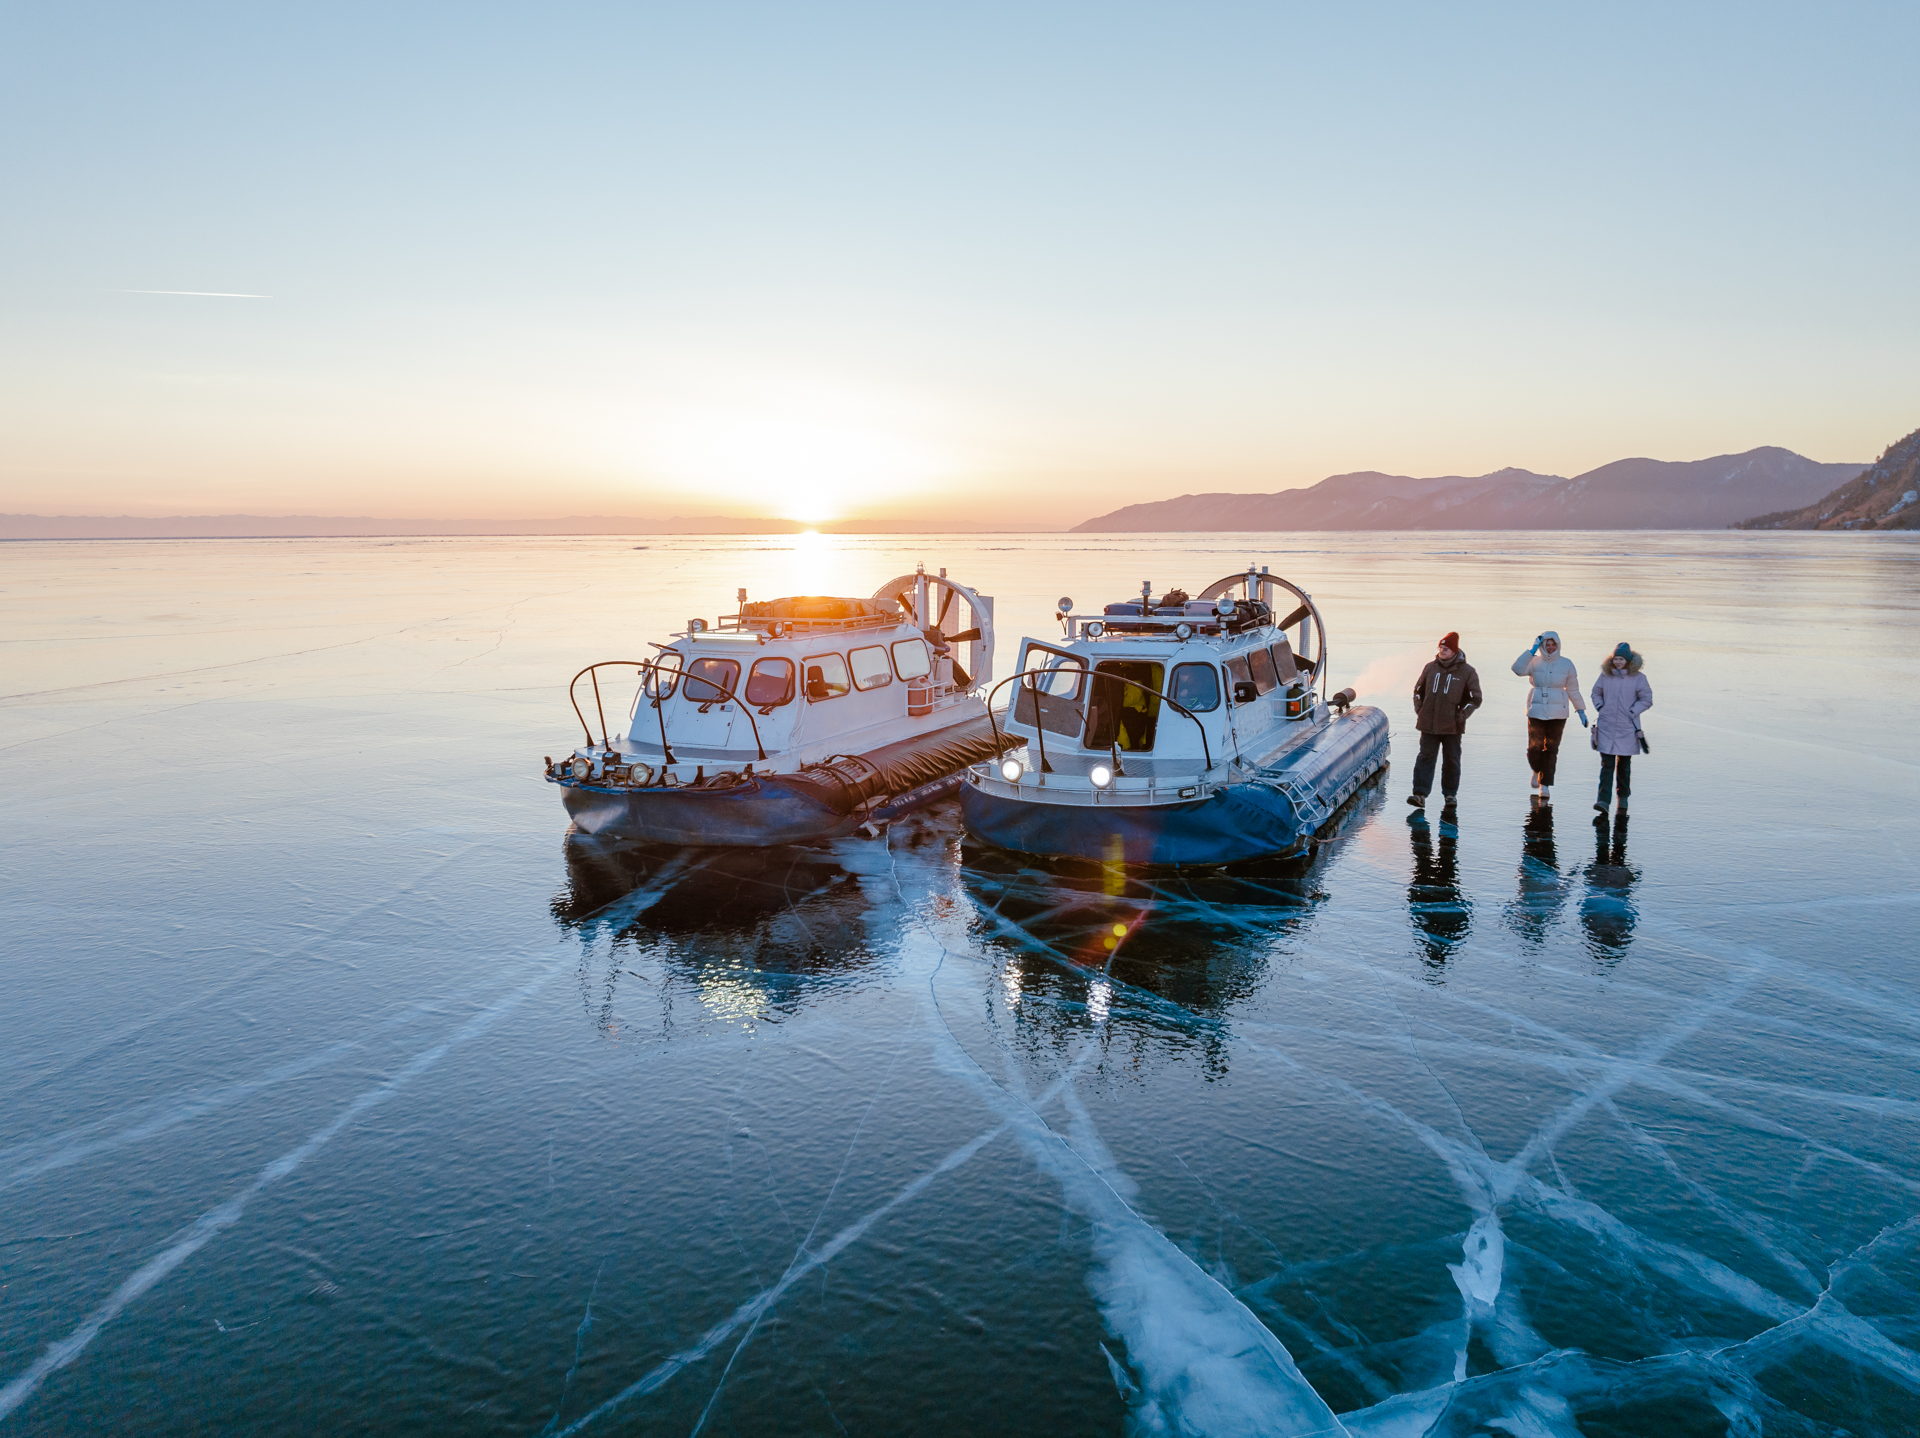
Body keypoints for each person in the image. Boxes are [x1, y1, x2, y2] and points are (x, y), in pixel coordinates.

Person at [1409, 631, 1481, 810]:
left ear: (1455, 651)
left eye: (1446, 648)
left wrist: (1460, 716)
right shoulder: (1430, 667)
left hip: (1452, 727)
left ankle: (1450, 795)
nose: (1442, 651)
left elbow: (1475, 698)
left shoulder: (1467, 671)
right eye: (1440, 648)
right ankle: (1419, 794)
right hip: (1428, 724)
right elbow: (1418, 690)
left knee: (1452, 760)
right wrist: (1421, 710)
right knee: (1425, 758)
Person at [1511, 630, 1587, 800]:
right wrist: (1532, 650)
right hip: (1536, 710)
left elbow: (1573, 689)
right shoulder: (1534, 662)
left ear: (1558, 645)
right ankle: (1536, 770)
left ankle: (1544, 786)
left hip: (1558, 712)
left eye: (1553, 644)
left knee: (1551, 749)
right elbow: (1517, 669)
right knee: (1535, 747)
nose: (1551, 647)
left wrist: (1580, 710)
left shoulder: (1566, 664)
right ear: (1542, 646)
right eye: (1547, 644)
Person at [1591, 641, 1651, 813]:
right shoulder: (1605, 676)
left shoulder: (1639, 678)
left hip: (1627, 728)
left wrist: (1633, 711)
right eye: (1616, 658)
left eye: (1621, 659)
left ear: (1628, 661)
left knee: (1624, 765)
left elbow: (1646, 699)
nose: (1618, 662)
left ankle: (1623, 798)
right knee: (1607, 765)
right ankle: (1603, 801)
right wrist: (1601, 707)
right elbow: (1596, 692)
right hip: (1607, 726)